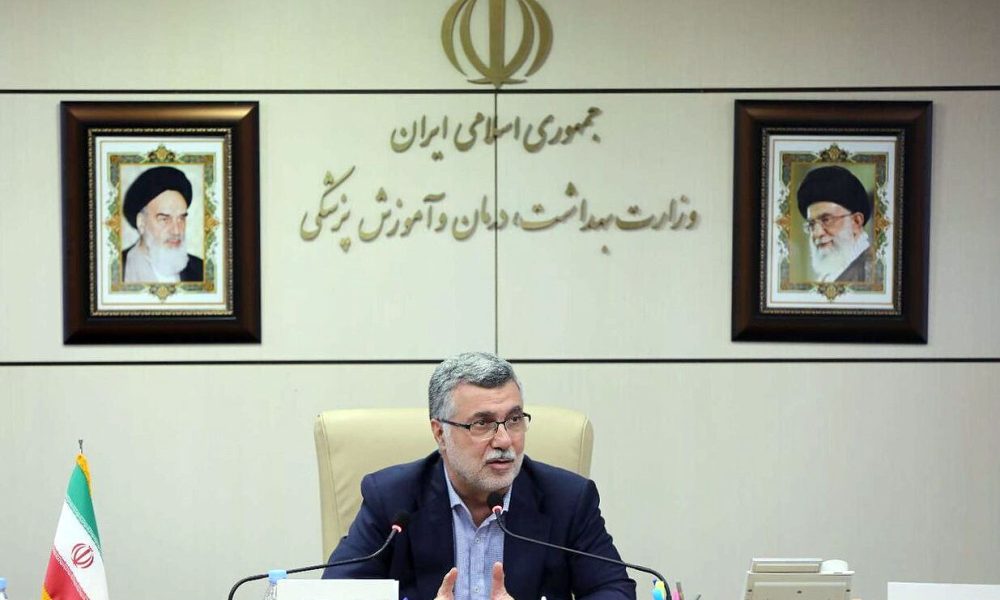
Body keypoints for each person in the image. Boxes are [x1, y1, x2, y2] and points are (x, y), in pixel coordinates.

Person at [323, 352, 635, 600]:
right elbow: (337, 594)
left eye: (514, 420)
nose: (504, 440)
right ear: (440, 433)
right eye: (482, 423)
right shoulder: (392, 499)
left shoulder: (568, 499)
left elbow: (613, 591)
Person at [121, 166, 203, 283]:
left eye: (181, 218)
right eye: (164, 219)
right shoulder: (116, 270)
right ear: (141, 222)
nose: (176, 231)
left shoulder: (200, 270)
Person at [796, 165, 874, 283]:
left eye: (826, 220)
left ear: (856, 222)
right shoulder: (828, 276)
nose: (817, 233)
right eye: (811, 224)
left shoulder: (871, 272)